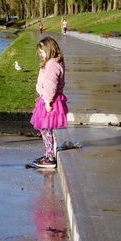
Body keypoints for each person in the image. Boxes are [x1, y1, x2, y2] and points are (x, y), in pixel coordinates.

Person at [29, 36, 68, 170]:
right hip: (48, 98)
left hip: (49, 100)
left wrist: (47, 101)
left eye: (42, 52)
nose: (41, 55)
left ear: (49, 49)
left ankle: (50, 157)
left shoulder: (52, 64)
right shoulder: (54, 62)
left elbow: (51, 84)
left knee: (45, 128)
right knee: (45, 128)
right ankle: (48, 154)